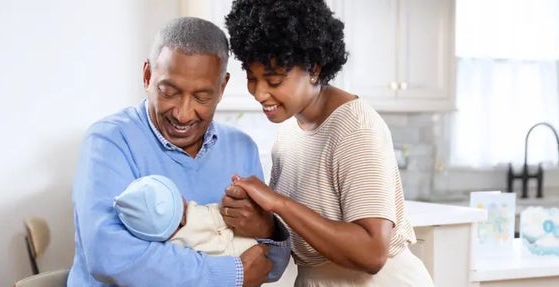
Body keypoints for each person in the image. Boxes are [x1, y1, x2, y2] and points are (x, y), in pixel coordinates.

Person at [223, 0, 435, 286]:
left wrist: (279, 204)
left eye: (273, 81)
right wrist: (259, 216)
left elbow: (372, 253)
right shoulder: (289, 134)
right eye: (252, 78)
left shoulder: (354, 128)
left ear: (314, 69)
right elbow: (301, 231)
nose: (259, 93)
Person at [67, 17, 291, 287]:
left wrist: (266, 228)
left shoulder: (241, 148)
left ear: (222, 88)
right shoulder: (110, 140)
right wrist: (231, 274)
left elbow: (268, 267)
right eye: (169, 92)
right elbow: (110, 256)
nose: (183, 114)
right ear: (148, 76)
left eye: (201, 97)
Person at [114, 175, 258, 256]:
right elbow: (222, 217)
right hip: (242, 253)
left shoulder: (172, 246)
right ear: (182, 216)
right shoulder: (195, 215)